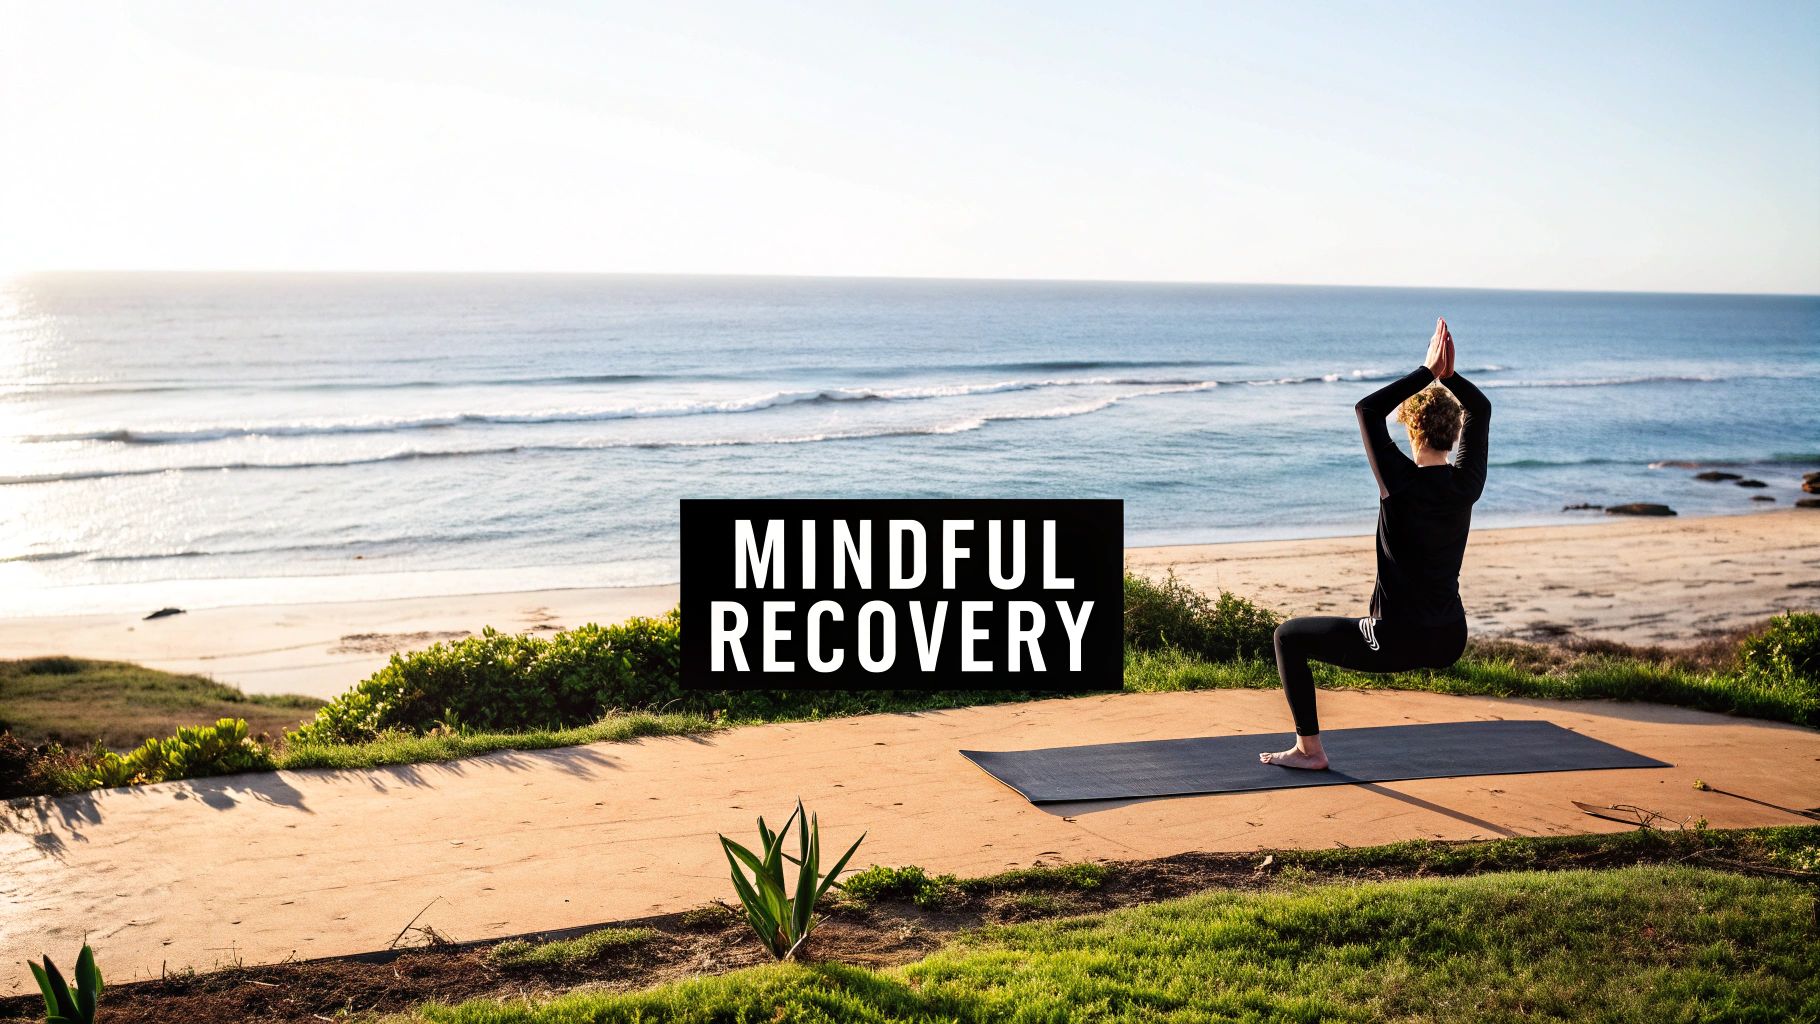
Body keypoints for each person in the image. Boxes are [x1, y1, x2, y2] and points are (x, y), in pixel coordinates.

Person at [1260, 318, 1490, 770]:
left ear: (1411, 431)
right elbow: (1480, 409)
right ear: (1455, 434)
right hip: (1450, 638)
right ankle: (1307, 749)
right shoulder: (1467, 485)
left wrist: (1427, 372)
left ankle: (1310, 750)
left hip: (1396, 640)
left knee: (1287, 637)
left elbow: (1367, 409)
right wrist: (1449, 377)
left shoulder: (1399, 484)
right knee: (1310, 635)